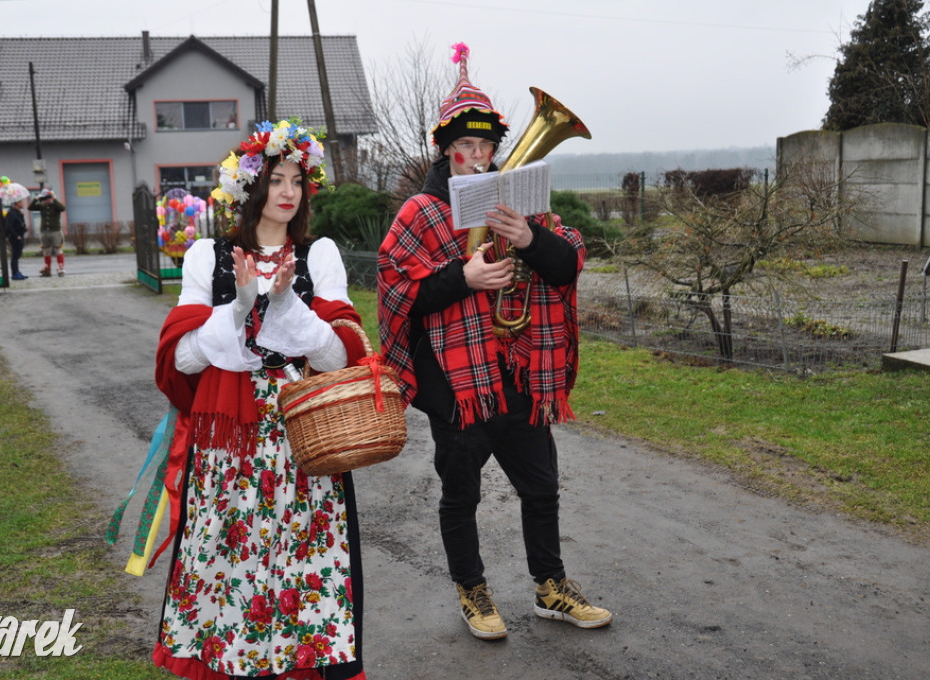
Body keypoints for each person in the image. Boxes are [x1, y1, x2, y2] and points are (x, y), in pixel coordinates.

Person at [377, 43, 612, 641]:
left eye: (484, 146)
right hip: (459, 387)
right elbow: (399, 292)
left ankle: (550, 588)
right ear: (445, 149)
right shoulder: (420, 212)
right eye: (464, 146)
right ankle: (472, 591)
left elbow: (567, 267)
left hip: (519, 376)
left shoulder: (520, 205)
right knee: (462, 495)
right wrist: (465, 276)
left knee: (541, 488)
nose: (475, 156)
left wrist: (530, 239)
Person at [152, 118, 369, 680]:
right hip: (230, 433)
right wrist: (241, 303)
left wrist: (285, 308)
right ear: (253, 187)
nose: (289, 191)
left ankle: (299, 657)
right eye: (277, 179)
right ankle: (231, 658)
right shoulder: (207, 255)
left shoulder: (319, 256)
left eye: (298, 180)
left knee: (304, 547)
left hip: (302, 430)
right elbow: (182, 360)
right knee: (229, 546)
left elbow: (341, 357)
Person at [29, 187, 66, 277]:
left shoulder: (55, 205)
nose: (46, 200)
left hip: (55, 231)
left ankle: (60, 267)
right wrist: (36, 198)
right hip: (44, 231)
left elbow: (62, 208)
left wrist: (54, 199)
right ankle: (47, 268)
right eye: (44, 199)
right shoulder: (42, 206)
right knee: (46, 250)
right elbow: (30, 207)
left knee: (58, 249)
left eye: (47, 198)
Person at [4, 196, 28, 281]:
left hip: (20, 235)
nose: (23, 203)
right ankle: (14, 273)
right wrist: (16, 235)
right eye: (22, 202)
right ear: (17, 203)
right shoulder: (11, 213)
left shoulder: (18, 213)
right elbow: (9, 226)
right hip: (15, 237)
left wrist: (22, 216)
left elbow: (21, 224)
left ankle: (17, 271)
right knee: (15, 255)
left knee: (17, 255)